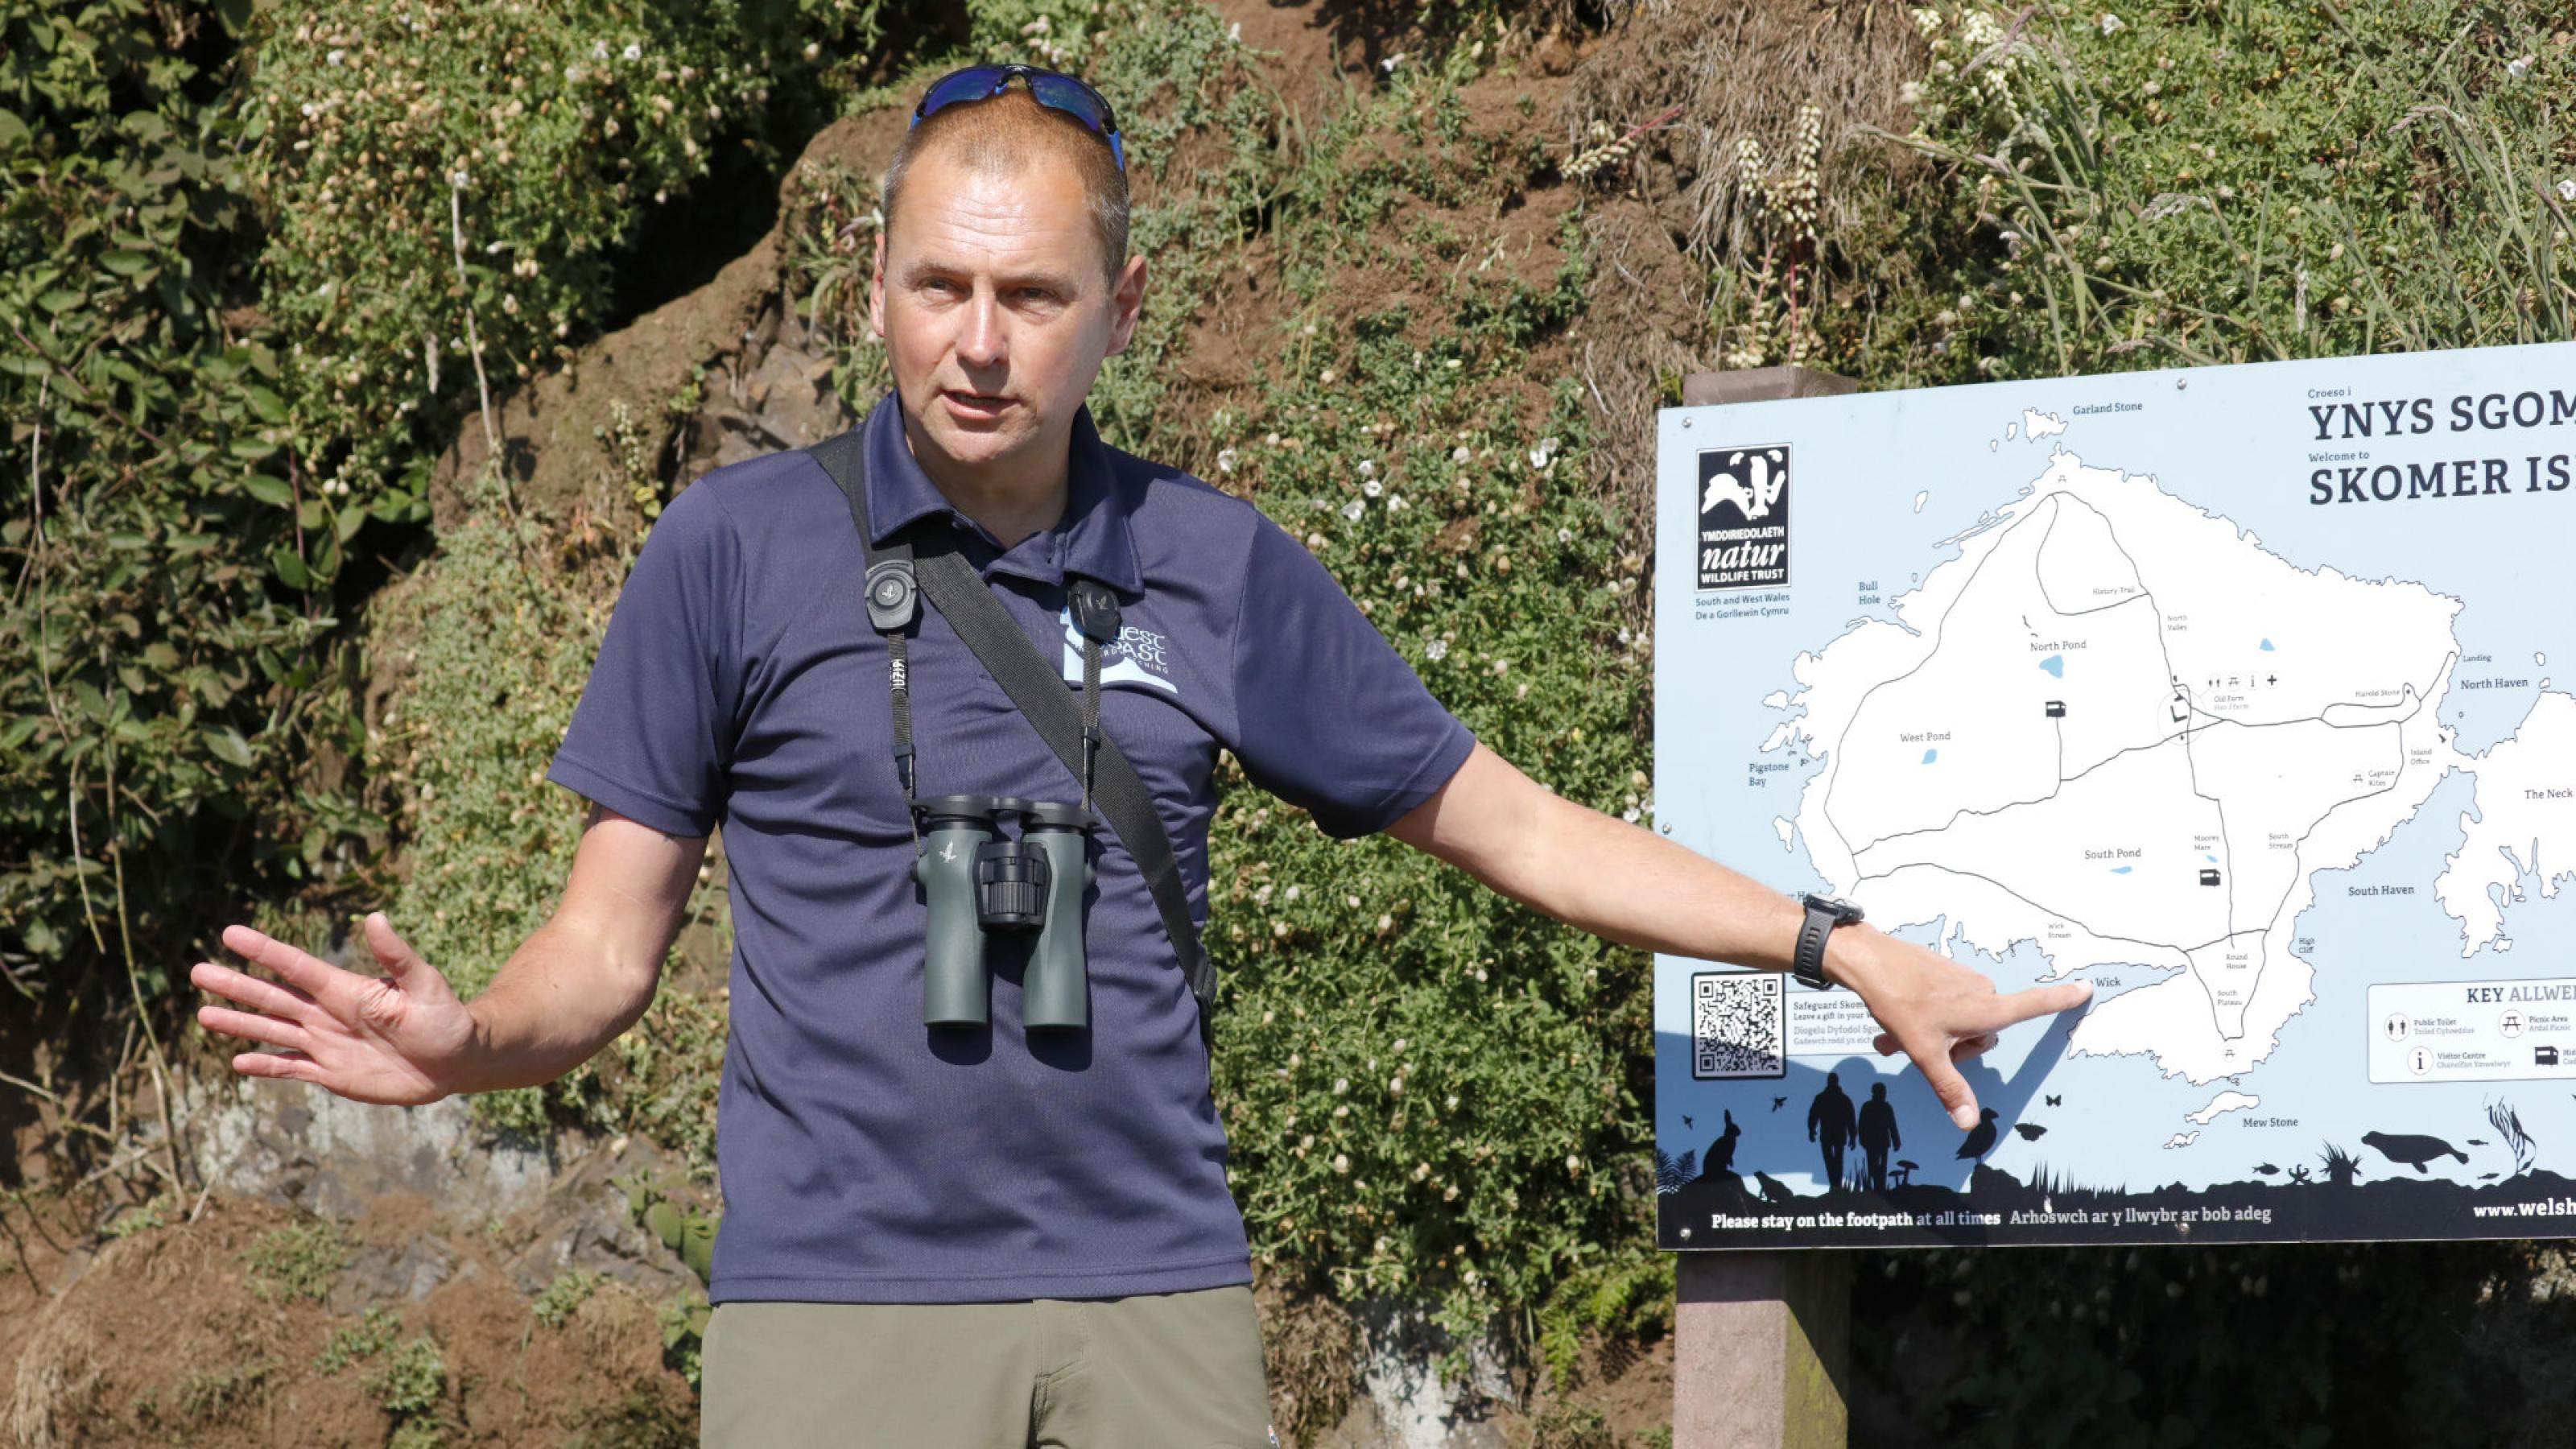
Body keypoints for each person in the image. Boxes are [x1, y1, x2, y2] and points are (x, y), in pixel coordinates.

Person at [186, 61, 2091, 1446]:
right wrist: (469, 1044)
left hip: (1155, 1292)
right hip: (837, 1304)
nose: (981, 343)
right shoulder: (733, 553)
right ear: (874, 286)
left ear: (1120, 310)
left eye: (1033, 297)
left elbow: (1508, 822)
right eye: (940, 287)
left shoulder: (1217, 564)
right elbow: (604, 948)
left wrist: (1833, 945)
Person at [1807, 1071, 1856, 1190]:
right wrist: (1811, 1130)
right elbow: (1814, 1116)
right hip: (1834, 1135)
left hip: (1831, 1135)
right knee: (1834, 1161)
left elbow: (1850, 1119)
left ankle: (1835, 1185)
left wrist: (1853, 1136)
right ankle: (1835, 1185)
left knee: (1833, 1161)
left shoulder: (1823, 1098)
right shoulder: (1843, 1099)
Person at [1858, 1080, 1902, 1192]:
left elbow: (1892, 1125)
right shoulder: (1869, 1107)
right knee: (1873, 1167)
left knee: (1881, 1168)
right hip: (1873, 1142)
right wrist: (1862, 1139)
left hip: (1881, 1142)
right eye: (1882, 1092)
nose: (1884, 1094)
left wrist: (1896, 1141)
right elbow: (1862, 1125)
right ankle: (1876, 1190)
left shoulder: (1885, 1107)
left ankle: (1880, 1189)